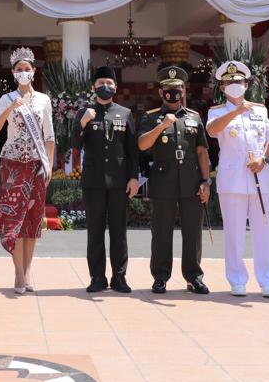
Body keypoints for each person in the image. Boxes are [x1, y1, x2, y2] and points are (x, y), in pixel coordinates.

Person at [206, 61, 269, 298]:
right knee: (234, 233)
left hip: (259, 177)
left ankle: (267, 281)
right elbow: (212, 130)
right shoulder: (216, 110)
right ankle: (237, 280)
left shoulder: (260, 110)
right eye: (229, 82)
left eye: (238, 82)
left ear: (246, 84)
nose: (234, 85)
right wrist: (235, 111)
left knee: (263, 232)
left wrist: (264, 159)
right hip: (231, 179)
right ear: (222, 86)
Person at [138, 65, 211, 295]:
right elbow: (142, 145)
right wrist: (162, 126)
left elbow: (202, 152)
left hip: (191, 181)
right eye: (168, 88)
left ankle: (193, 277)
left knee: (192, 232)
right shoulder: (151, 118)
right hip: (163, 180)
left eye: (177, 87)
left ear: (183, 90)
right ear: (161, 92)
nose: (173, 92)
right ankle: (160, 277)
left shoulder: (194, 117)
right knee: (161, 232)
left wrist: (206, 181)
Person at [0, 47, 55, 295]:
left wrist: (48, 165)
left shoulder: (43, 100)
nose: (24, 73)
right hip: (12, 164)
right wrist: (10, 108)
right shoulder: (6, 99)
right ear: (13, 73)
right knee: (13, 219)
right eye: (19, 70)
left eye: (27, 69)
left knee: (32, 219)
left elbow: (49, 136)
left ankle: (28, 272)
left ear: (34, 72)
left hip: (37, 165)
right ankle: (17, 273)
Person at [73, 66, 138, 293]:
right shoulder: (85, 112)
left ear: (116, 87)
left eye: (110, 83)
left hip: (120, 182)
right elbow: (73, 144)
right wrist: (83, 123)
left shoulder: (125, 113)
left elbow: (132, 150)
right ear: (94, 86)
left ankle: (119, 277)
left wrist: (133, 177)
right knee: (95, 231)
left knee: (119, 232)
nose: (106, 87)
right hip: (94, 182)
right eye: (101, 83)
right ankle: (97, 277)